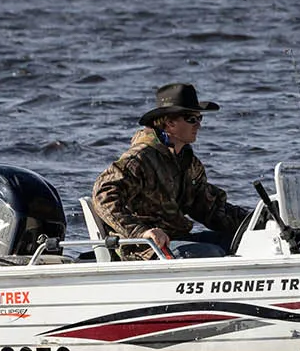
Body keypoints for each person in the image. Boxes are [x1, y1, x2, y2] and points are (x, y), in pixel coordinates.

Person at [89, 83, 250, 259]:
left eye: (199, 118)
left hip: (177, 240)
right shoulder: (140, 158)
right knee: (211, 253)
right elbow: (102, 195)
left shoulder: (187, 162)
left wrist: (257, 220)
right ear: (170, 123)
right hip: (144, 248)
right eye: (191, 119)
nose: (198, 125)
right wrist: (141, 232)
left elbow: (209, 208)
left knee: (245, 240)